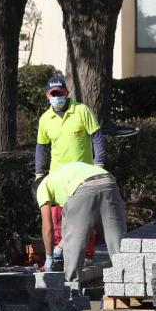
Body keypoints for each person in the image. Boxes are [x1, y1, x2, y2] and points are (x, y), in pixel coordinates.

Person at [35, 75, 105, 270]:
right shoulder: (45, 119)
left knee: (84, 216)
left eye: (60, 93)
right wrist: (39, 173)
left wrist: (98, 164)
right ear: (47, 95)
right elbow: (41, 147)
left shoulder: (81, 111)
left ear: (66, 93)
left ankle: (86, 254)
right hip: (58, 177)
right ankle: (62, 255)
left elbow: (97, 137)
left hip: (82, 177)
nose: (57, 97)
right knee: (58, 218)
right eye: (53, 94)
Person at [35, 162, 127, 282]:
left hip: (82, 187)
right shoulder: (61, 175)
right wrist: (59, 248)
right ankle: (128, 280)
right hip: (108, 182)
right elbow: (77, 224)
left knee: (74, 246)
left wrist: (49, 257)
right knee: (117, 241)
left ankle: (71, 289)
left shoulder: (42, 187)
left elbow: (48, 228)